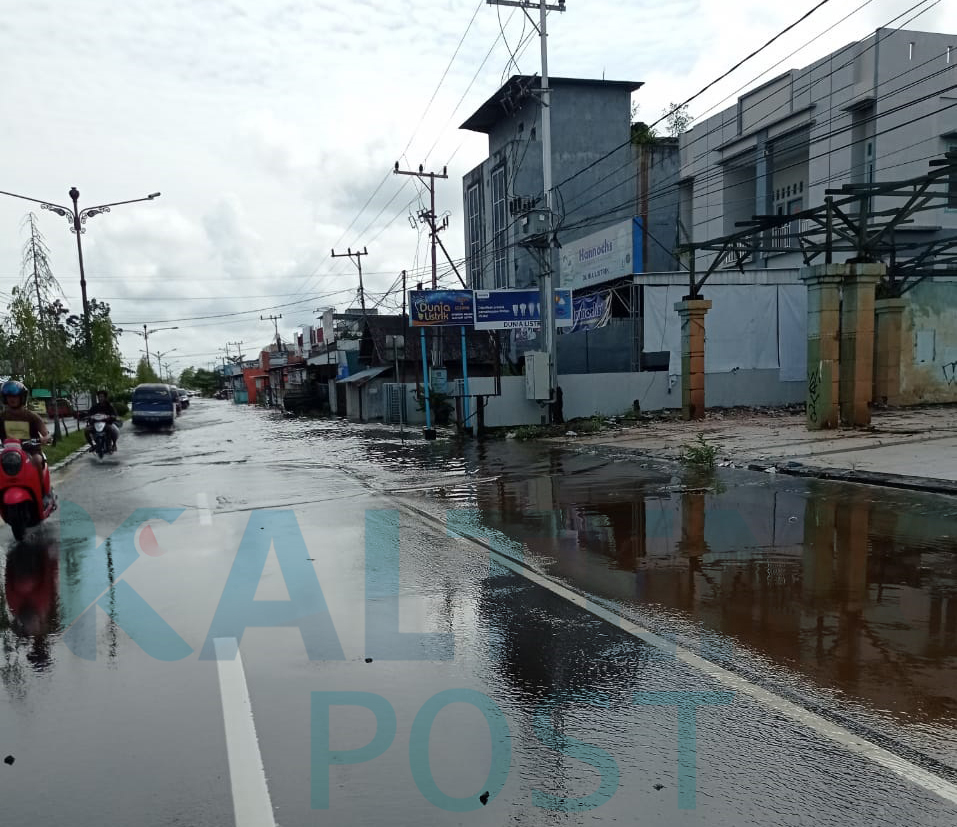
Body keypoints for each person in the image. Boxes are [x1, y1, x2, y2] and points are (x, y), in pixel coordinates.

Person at [0, 380, 52, 478]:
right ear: (5, 398)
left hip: (31, 451)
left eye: (15, 396)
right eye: (9, 396)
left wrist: (45, 438)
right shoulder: (2, 418)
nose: (12, 399)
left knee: (37, 460)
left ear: (22, 397)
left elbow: (46, 433)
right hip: (7, 453)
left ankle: (42, 491)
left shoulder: (32, 416)